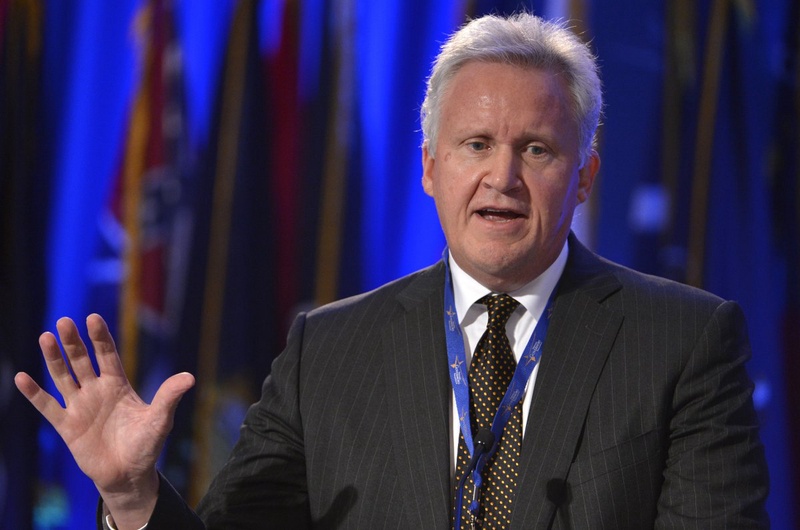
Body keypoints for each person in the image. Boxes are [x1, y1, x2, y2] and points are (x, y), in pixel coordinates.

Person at [15, 12, 769, 530]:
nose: (501, 176)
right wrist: (132, 493)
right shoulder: (328, 350)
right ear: (431, 170)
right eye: (475, 145)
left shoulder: (683, 340)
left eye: (536, 149)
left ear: (585, 177)